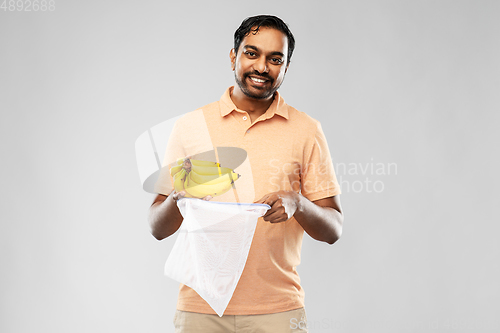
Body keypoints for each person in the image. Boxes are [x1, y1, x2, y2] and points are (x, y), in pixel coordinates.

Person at [148, 15, 343, 333]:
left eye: (275, 58)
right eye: (252, 53)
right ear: (233, 56)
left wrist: (297, 202)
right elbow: (157, 227)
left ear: (286, 66)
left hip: (278, 312)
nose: (262, 67)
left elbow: (333, 229)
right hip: (201, 311)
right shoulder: (191, 126)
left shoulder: (307, 131)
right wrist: (179, 198)